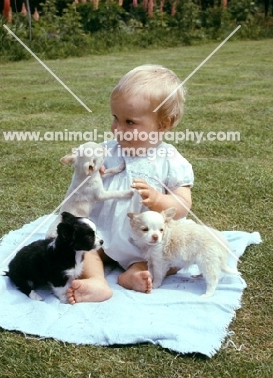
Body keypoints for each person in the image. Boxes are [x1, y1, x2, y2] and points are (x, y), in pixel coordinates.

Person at [67, 65, 194, 304]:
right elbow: (84, 162)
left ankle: (134, 273)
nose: (117, 128)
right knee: (82, 249)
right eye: (115, 118)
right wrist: (91, 171)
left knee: (170, 259)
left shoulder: (170, 160)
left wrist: (159, 200)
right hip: (104, 232)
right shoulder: (108, 150)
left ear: (163, 124)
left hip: (146, 240)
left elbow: (183, 204)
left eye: (129, 122)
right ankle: (96, 281)